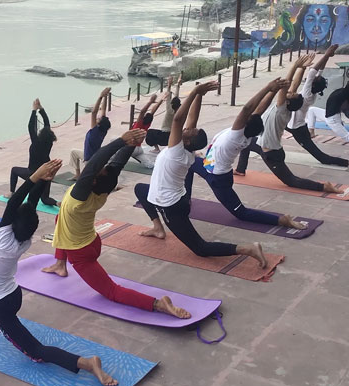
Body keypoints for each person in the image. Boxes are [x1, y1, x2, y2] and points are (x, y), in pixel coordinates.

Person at [0, 160, 118, 386]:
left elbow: (17, 201)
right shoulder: (23, 240)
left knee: (35, 352)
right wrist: (43, 181)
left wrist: (35, 177)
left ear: (11, 223)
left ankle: (87, 363)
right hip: (12, 294)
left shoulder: (1, 236)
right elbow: (29, 204)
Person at [41, 129, 191, 320]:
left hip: (81, 253)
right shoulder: (103, 189)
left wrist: (120, 141)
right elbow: (117, 162)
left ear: (92, 181)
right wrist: (135, 134)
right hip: (91, 241)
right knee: (60, 218)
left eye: (96, 171)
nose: (97, 167)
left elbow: (94, 163)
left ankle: (158, 304)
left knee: (112, 291)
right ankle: (60, 265)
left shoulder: (80, 196)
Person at [134, 81, 268, 268]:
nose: (187, 128)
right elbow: (191, 119)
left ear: (188, 141)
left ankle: (248, 249)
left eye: (189, 131)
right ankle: (158, 228)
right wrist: (199, 96)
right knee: (140, 189)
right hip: (176, 198)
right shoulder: (186, 148)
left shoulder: (176, 152)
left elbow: (178, 120)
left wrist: (195, 91)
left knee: (200, 248)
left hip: (171, 206)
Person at [186, 78, 307, 230]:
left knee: (241, 213)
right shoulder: (246, 133)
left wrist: (268, 86)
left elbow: (247, 109)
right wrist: (273, 90)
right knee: (188, 163)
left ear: (245, 124)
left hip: (218, 179)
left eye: (246, 118)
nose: (245, 116)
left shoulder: (236, 136)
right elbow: (259, 110)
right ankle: (186, 198)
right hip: (207, 166)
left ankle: (282, 220)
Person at [233, 56, 343, 194]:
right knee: (246, 144)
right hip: (262, 144)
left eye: (291, 94)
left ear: (288, 101)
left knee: (291, 181)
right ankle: (240, 169)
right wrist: (301, 68)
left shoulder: (281, 110)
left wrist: (294, 66)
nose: (291, 92)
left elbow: (286, 84)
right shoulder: (287, 107)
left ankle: (323, 187)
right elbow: (294, 85)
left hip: (271, 154)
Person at [285, 45, 348, 167]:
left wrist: (326, 54)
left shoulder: (307, 94)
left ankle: (345, 163)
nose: (314, 77)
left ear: (312, 85)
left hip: (297, 129)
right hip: (292, 124)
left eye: (315, 79)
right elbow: (319, 71)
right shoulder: (313, 92)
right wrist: (327, 58)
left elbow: (312, 72)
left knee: (321, 157)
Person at [6, 99, 59, 206]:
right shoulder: (49, 143)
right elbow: (47, 124)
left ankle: (11, 192)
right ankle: (58, 203)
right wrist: (41, 109)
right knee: (45, 199)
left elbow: (31, 127)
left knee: (14, 170)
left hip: (33, 174)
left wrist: (34, 110)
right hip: (46, 173)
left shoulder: (36, 142)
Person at [68, 88, 112, 181]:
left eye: (98, 119)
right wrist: (105, 96)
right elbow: (103, 110)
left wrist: (100, 96)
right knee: (73, 152)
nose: (97, 118)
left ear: (99, 124)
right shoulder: (103, 130)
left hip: (89, 160)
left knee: (90, 179)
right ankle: (77, 174)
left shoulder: (95, 132)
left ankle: (94, 174)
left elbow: (94, 113)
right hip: (91, 156)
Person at [146, 75, 182, 153]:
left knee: (149, 133)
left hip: (165, 136)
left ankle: (156, 149)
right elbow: (177, 97)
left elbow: (168, 98)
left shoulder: (170, 111)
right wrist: (178, 85)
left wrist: (169, 85)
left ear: (172, 105)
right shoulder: (180, 112)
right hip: (174, 135)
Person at [131, 93, 167, 168]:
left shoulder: (138, 124)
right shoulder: (147, 125)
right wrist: (161, 100)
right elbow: (153, 111)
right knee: (150, 165)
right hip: (139, 150)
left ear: (143, 118)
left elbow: (142, 112)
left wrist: (150, 102)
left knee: (115, 147)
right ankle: (158, 165)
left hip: (130, 149)